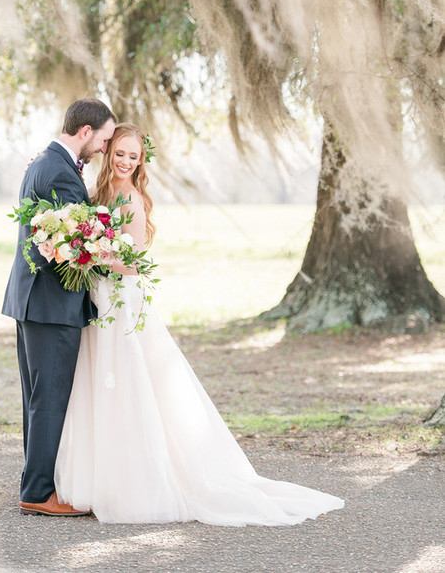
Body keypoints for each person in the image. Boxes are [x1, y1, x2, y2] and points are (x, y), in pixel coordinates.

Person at [53, 123, 345, 525]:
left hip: (121, 299)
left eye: (133, 157)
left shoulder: (133, 200)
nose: (124, 161)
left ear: (140, 163)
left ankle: (139, 483)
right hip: (98, 299)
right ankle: (95, 476)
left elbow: (134, 261)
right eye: (120, 153)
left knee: (128, 381)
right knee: (97, 381)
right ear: (108, 153)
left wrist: (92, 255)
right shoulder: (96, 192)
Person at [2, 97, 116, 516]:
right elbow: (78, 243)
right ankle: (36, 493)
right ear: (85, 132)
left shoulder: (45, 163)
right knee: (48, 397)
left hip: (32, 300)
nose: (104, 149)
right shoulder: (59, 172)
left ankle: (36, 484)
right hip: (51, 304)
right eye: (104, 140)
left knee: (37, 397)